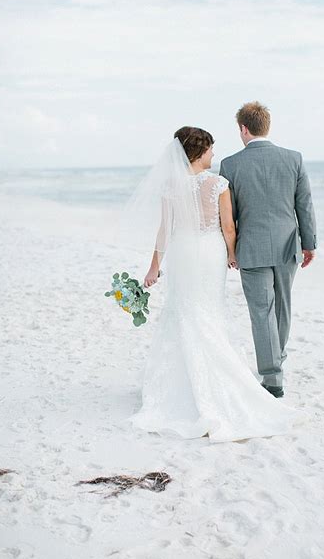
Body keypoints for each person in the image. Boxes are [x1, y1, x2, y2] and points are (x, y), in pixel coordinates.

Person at [123, 126, 305, 444]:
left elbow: (164, 231)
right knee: (206, 311)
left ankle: (179, 387)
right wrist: (233, 255)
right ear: (200, 150)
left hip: (181, 253)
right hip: (209, 253)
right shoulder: (218, 183)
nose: (213, 155)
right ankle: (214, 381)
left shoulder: (170, 186)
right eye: (210, 149)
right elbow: (228, 228)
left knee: (182, 310)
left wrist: (153, 269)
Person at [219, 101, 317, 398]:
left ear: (243, 129)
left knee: (262, 311)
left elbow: (229, 216)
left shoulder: (230, 164)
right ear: (267, 127)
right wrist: (309, 244)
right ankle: (276, 362)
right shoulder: (294, 159)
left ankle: (273, 376)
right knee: (283, 307)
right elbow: (305, 205)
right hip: (289, 245)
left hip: (251, 247)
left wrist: (230, 250)